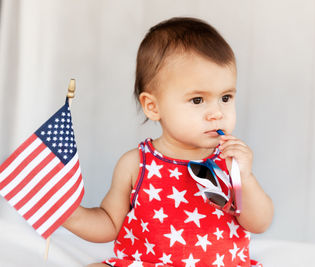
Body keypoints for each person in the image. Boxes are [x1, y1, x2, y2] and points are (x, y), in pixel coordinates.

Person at [63, 17, 274, 267]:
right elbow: (109, 223)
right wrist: (71, 215)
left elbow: (259, 223)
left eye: (225, 97)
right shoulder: (135, 164)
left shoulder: (230, 161)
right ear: (153, 106)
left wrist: (245, 178)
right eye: (197, 100)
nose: (217, 112)